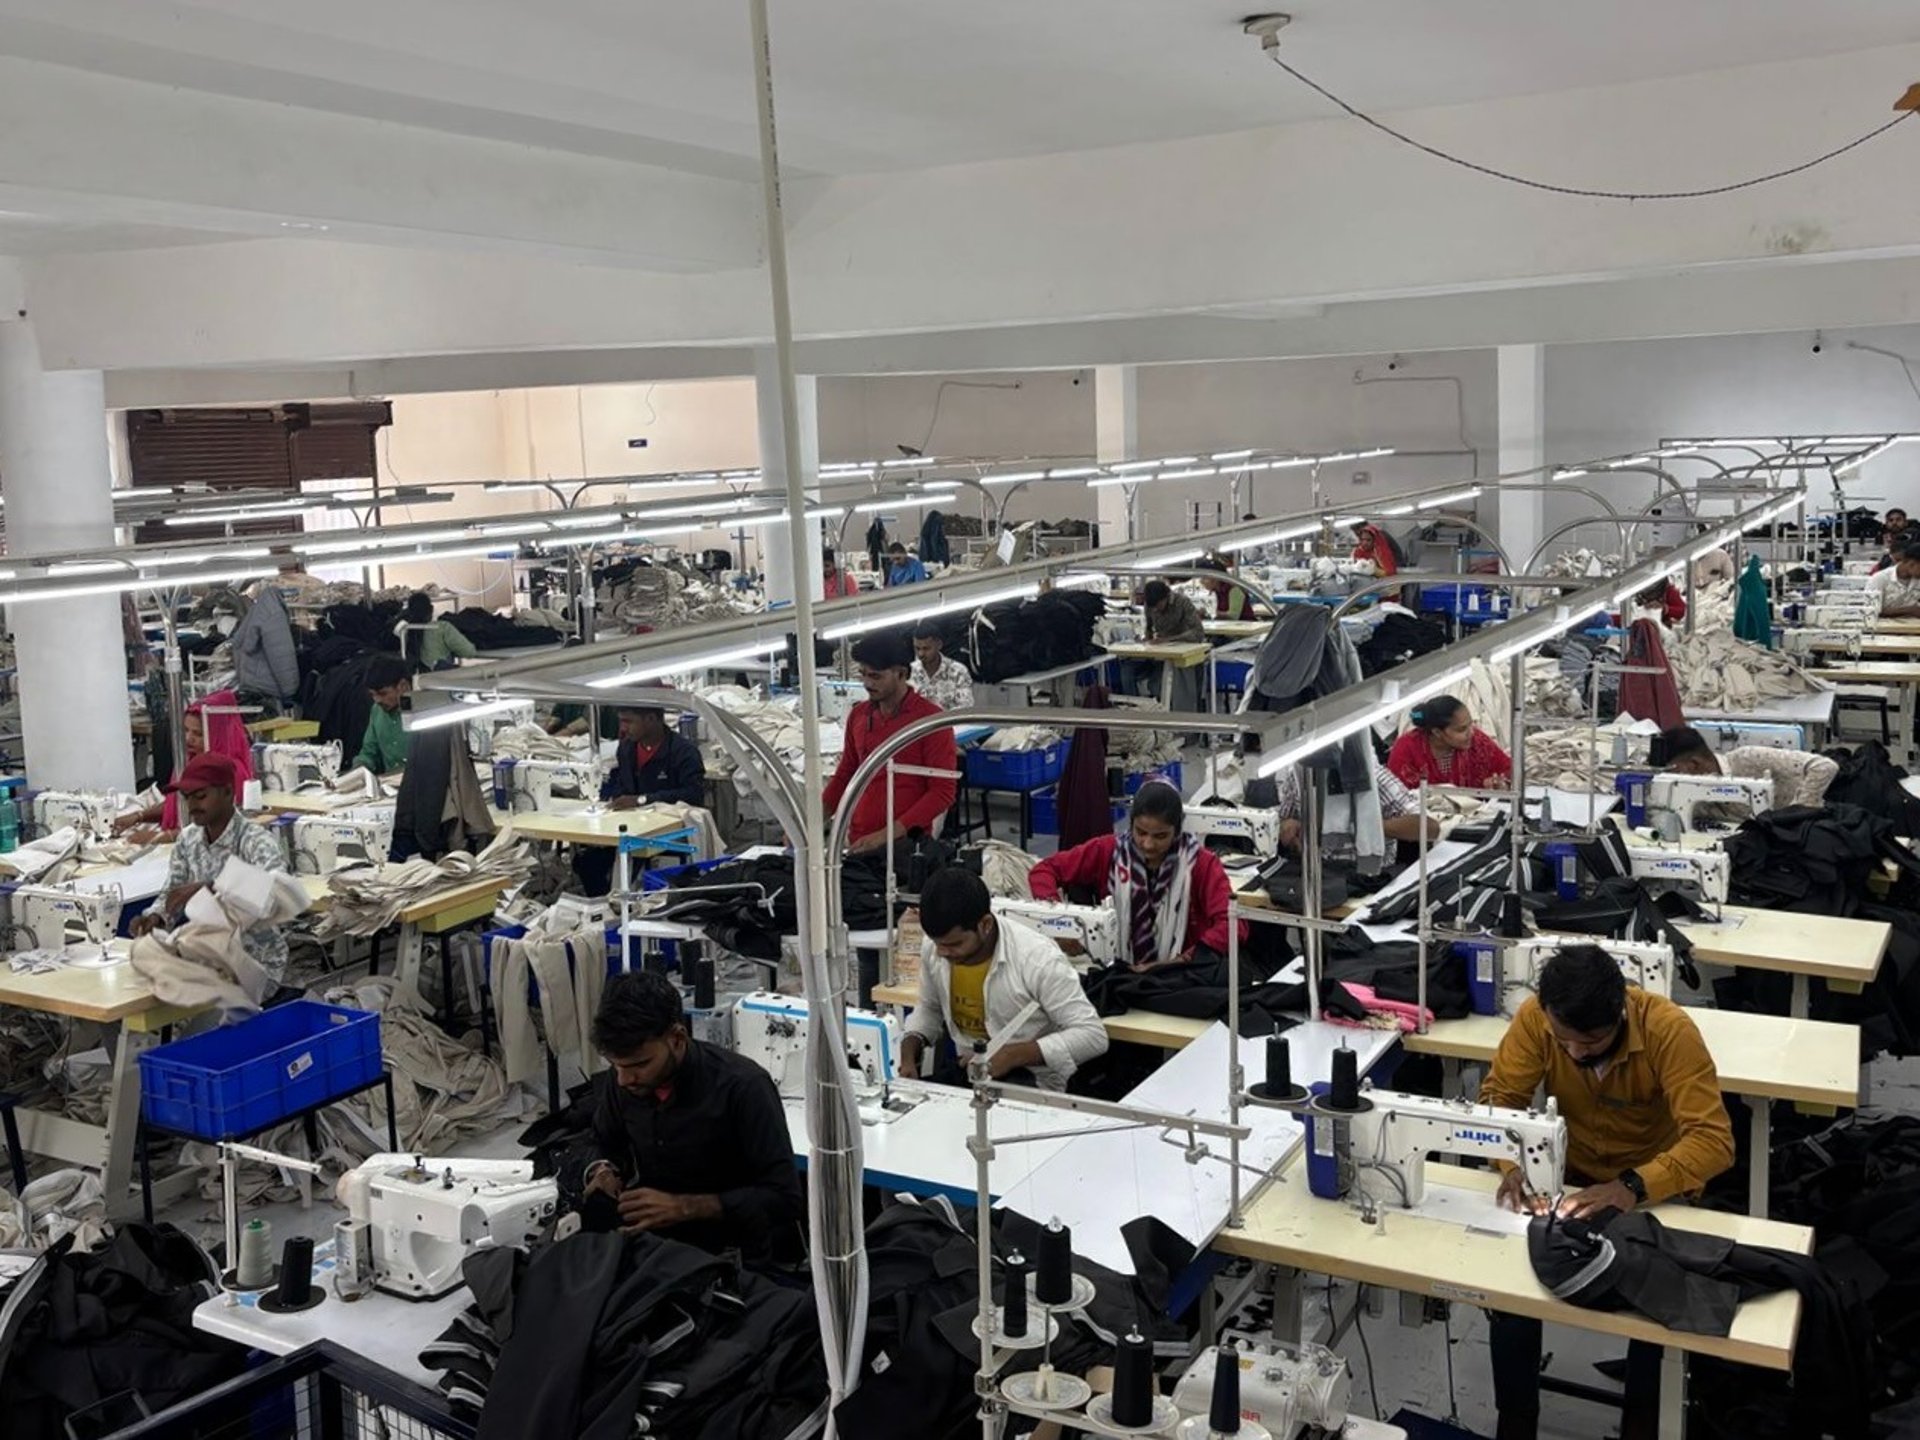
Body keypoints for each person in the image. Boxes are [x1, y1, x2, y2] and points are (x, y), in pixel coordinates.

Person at [1480, 944, 1735, 1440]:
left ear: (1620, 1012)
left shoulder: (1668, 1030)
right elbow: (1500, 1100)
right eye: (1564, 1041)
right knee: (1511, 1294)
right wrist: (1510, 1164)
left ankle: (1642, 1419)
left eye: (1591, 1041)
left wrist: (1631, 1187)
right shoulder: (1537, 1018)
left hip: (1652, 1187)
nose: (1574, 1053)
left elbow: (1714, 1141)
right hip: (1567, 1181)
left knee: (1653, 1307)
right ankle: (1515, 1419)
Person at [569, 971, 802, 1265]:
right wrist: (602, 1169)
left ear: (677, 1038)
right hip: (657, 1247)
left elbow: (785, 1198)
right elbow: (602, 1139)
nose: (625, 1079)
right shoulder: (627, 1081)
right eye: (615, 1066)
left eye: (640, 1064)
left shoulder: (743, 1087)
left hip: (734, 1258)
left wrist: (687, 1207)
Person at [899, 868, 1108, 1092]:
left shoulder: (1038, 959)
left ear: (985, 925)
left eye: (954, 945)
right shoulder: (937, 945)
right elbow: (930, 1008)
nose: (941, 953)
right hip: (970, 1072)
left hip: (1032, 1083)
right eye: (936, 943)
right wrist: (911, 1046)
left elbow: (1093, 1035)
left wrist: (1013, 1055)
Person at [1027, 781, 1244, 971]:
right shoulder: (1107, 850)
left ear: (1177, 831)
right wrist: (1059, 923)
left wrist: (1184, 959)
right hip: (1117, 968)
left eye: (1160, 836)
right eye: (1140, 832)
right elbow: (1044, 870)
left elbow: (1235, 925)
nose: (1148, 844)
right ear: (1130, 824)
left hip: (1178, 974)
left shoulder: (1202, 865)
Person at [129, 753, 292, 983]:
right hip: (208, 956)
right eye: (187, 798)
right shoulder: (188, 840)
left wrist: (213, 886)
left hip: (256, 964)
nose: (193, 805)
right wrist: (155, 917)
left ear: (227, 792)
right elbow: (172, 892)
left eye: (201, 796)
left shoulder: (255, 841)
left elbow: (277, 893)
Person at [821, 630, 958, 854]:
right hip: (859, 841)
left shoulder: (930, 722)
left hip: (907, 845)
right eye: (863, 674)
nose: (866, 683)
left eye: (875, 676)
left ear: (901, 673)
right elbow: (846, 773)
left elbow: (942, 792)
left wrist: (884, 835)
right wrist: (812, 823)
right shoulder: (859, 716)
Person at [115, 690, 257, 841]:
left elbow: (213, 829)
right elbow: (178, 804)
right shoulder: (191, 762)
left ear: (218, 734)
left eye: (198, 734)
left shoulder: (230, 772)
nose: (188, 739)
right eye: (186, 730)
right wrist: (138, 816)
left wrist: (159, 837)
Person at [1655, 725, 1837, 810]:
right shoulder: (1701, 795)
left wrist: (1797, 814)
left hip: (1808, 837)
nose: (1675, 780)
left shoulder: (1747, 758)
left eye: (1676, 772)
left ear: (1694, 764)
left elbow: (1824, 766)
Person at [1271, 761, 1440, 851]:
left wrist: (1363, 826)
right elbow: (1285, 818)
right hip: (1316, 873)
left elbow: (1430, 827)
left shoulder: (1373, 777)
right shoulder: (1301, 775)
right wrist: (1287, 826)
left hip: (1368, 878)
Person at [1386, 695, 1512, 792]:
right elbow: (1399, 799)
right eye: (1461, 729)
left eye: (1470, 725)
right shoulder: (1406, 750)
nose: (1471, 733)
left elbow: (1508, 770)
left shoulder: (1478, 742)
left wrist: (1500, 785)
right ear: (1437, 732)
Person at [1122, 579, 1209, 702]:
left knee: (1157, 685)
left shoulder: (1183, 603)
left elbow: (1198, 633)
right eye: (1153, 607)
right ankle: (1134, 707)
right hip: (1158, 653)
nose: (1156, 610)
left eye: (1158, 605)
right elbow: (1149, 628)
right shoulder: (1151, 604)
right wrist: (1146, 640)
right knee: (1127, 670)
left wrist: (1167, 639)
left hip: (1182, 655)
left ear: (1167, 597)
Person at [354, 655, 413, 775]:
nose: (377, 700)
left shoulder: (426, 714)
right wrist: (357, 771)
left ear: (403, 686)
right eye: (372, 695)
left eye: (383, 693)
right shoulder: (377, 711)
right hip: (390, 786)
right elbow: (369, 752)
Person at [398, 592, 477, 670]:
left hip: (417, 679)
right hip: (441, 678)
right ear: (431, 609)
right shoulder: (442, 628)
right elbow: (469, 652)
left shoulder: (403, 630)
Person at [909, 622, 975, 712]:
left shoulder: (958, 672)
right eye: (917, 648)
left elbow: (965, 708)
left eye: (926, 648)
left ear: (939, 645)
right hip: (919, 725)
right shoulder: (909, 672)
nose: (921, 654)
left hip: (951, 724)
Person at [1867, 536, 1920, 617]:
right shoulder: (1880, 579)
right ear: (1911, 563)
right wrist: (1909, 610)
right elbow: (1870, 611)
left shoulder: (1917, 579)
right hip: (1883, 627)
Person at [1873, 508, 1910, 573]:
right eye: (1891, 520)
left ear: (1905, 522)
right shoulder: (1880, 538)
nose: (1894, 523)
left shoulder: (1912, 538)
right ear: (1886, 523)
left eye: (1898, 520)